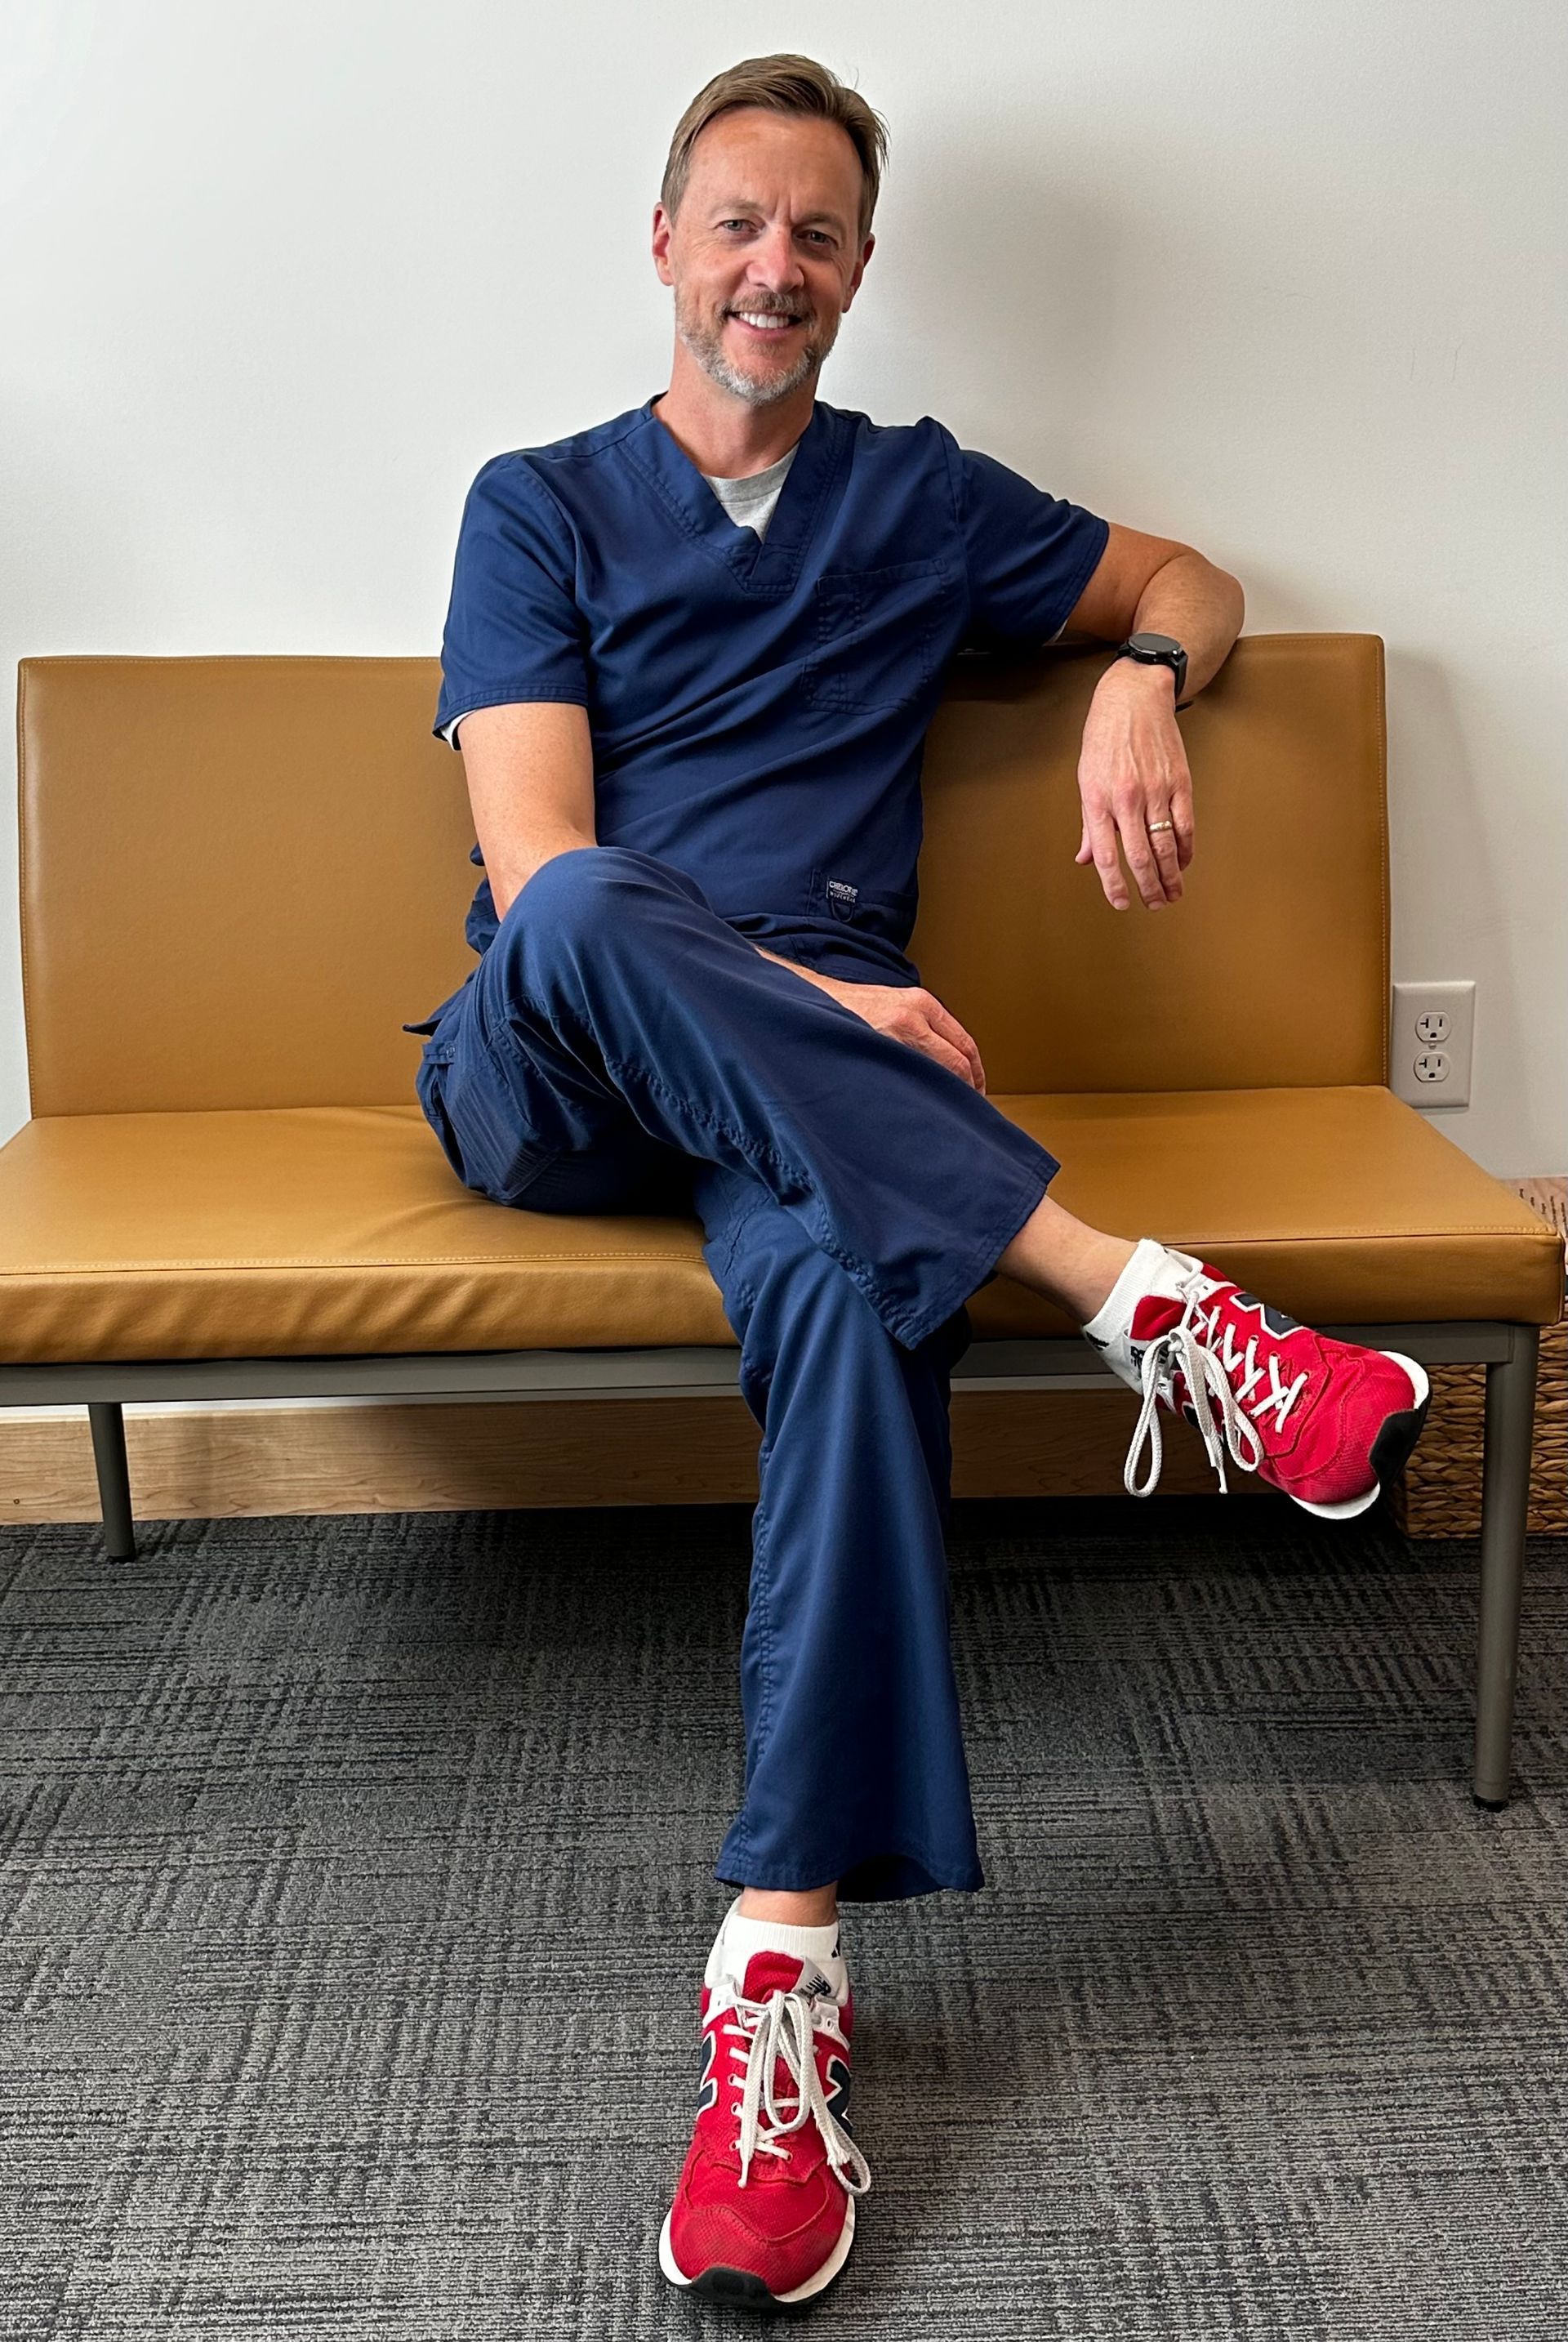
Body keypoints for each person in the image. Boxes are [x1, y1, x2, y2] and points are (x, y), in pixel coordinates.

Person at [405, 55, 1431, 2312]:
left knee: (867, 1301)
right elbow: (543, 867)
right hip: (565, 1061)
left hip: (835, 1118)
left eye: (822, 234)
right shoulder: (539, 503)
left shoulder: (922, 504)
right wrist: (819, 995)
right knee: (591, 918)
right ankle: (1153, 1305)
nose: (777, 265)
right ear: (665, 244)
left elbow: (1193, 570)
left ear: (862, 273)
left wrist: (1144, 680)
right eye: (739, 221)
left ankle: (779, 1975)